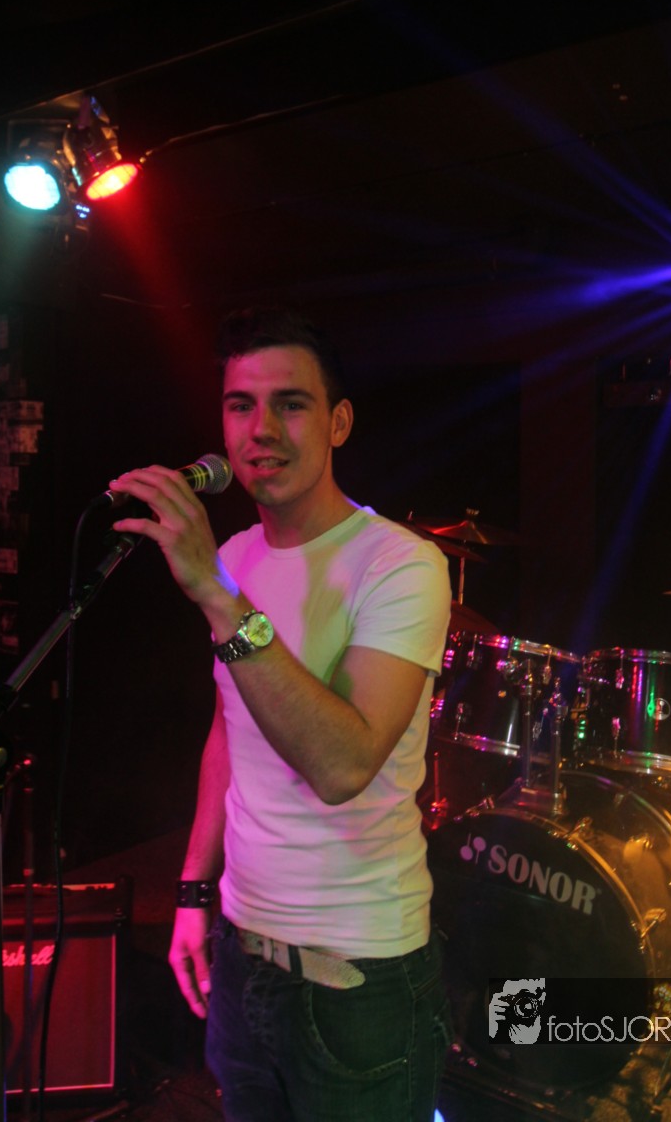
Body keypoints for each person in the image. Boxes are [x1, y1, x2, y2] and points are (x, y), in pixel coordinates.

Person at [110, 307, 453, 1121]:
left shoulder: (400, 564)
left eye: (290, 404)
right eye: (241, 405)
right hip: (241, 957)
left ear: (339, 422)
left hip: (357, 977)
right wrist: (193, 893)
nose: (260, 429)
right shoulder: (235, 558)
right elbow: (229, 733)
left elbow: (341, 765)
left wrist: (217, 597)